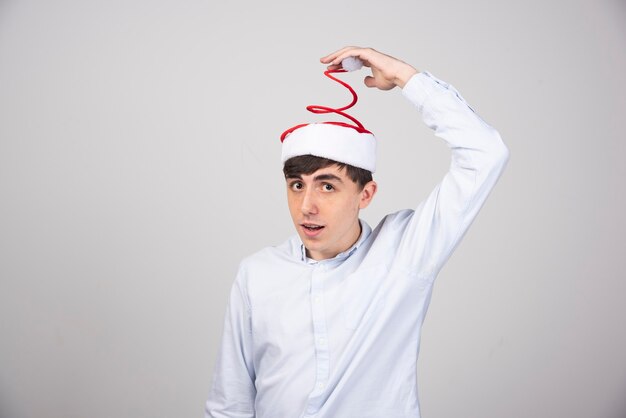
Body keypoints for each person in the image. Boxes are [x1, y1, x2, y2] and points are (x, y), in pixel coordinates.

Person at [204, 46, 509, 418]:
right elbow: (229, 404)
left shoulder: (404, 253)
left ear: (365, 194)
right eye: (297, 185)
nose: (307, 206)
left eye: (327, 186)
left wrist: (404, 77)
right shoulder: (257, 273)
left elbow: (485, 152)